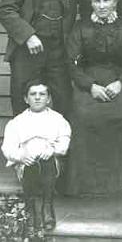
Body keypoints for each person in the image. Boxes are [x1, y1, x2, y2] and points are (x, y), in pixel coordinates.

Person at [0, 0, 90, 117]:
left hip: (60, 50)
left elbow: (87, 9)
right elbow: (6, 9)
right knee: (22, 99)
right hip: (27, 51)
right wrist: (28, 36)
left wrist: (77, 40)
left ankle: (60, 146)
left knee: (63, 100)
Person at [65, 0, 122, 196]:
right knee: (82, 113)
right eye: (97, 1)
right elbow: (71, 63)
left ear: (115, 2)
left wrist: (121, 83)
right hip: (89, 84)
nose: (101, 5)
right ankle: (85, 185)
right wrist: (90, 86)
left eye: (106, 0)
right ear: (91, 3)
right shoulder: (81, 27)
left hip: (120, 83)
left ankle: (120, 184)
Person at [1, 80, 71, 237]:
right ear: (26, 99)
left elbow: (65, 142)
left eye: (42, 94)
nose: (38, 98)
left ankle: (47, 206)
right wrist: (21, 156)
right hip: (26, 165)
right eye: (33, 94)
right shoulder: (17, 122)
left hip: (51, 165)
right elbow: (8, 148)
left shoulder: (58, 120)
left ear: (48, 98)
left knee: (46, 161)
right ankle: (31, 207)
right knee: (31, 164)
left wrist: (52, 150)